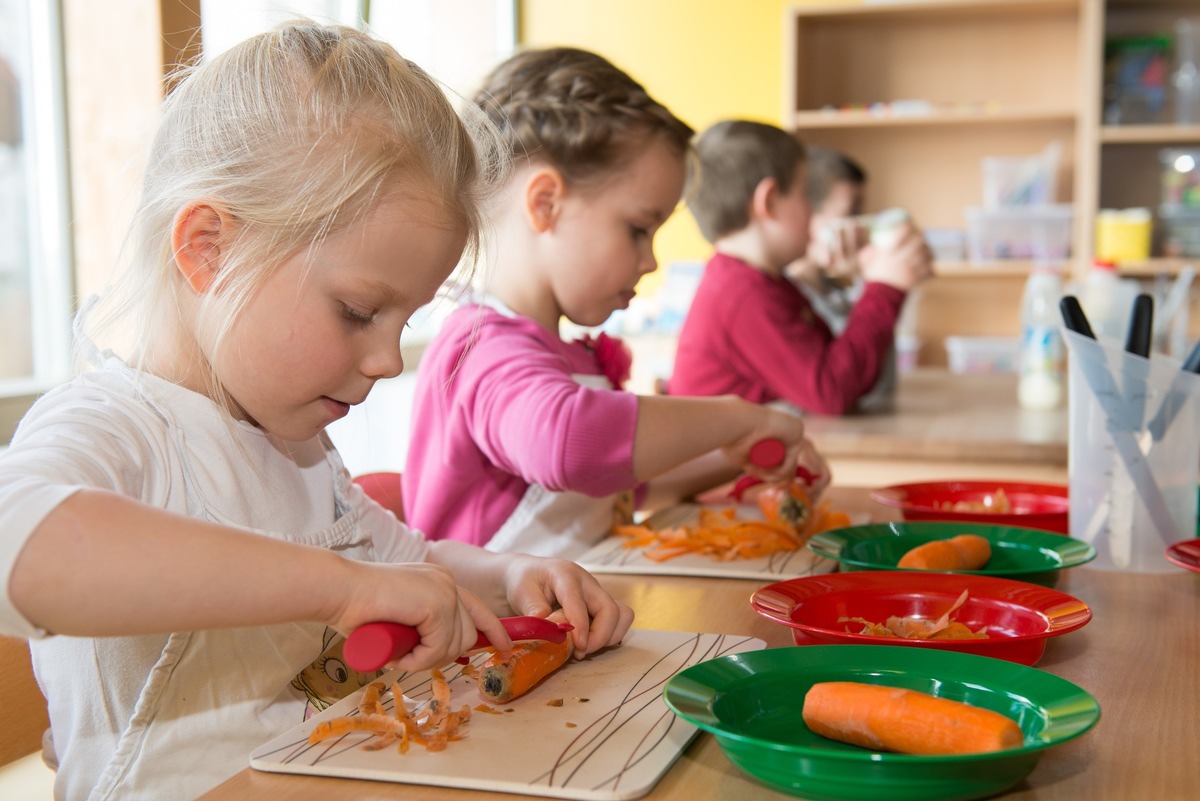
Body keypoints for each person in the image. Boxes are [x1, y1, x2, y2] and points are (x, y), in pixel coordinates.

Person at [0, 23, 633, 801]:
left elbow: (410, 565)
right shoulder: (118, 427)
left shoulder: (301, 448)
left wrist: (511, 573)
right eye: (358, 309)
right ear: (209, 249)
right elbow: (20, 542)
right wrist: (338, 587)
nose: (384, 358)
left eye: (403, 321)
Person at [402, 48, 827, 558]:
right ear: (546, 204)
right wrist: (738, 418)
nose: (649, 262)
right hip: (482, 634)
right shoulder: (481, 347)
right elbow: (570, 445)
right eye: (638, 229)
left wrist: (738, 457)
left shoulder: (554, 352)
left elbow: (614, 487)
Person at [668, 120, 933, 416]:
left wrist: (871, 281)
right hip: (729, 463)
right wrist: (885, 288)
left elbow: (850, 373)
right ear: (768, 202)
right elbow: (831, 391)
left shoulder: (763, 283)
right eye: (805, 193)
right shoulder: (742, 295)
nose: (812, 209)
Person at [787, 145, 901, 411]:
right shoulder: (788, 298)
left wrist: (863, 283)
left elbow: (883, 383)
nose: (860, 227)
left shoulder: (836, 290)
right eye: (850, 214)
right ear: (808, 214)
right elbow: (847, 384)